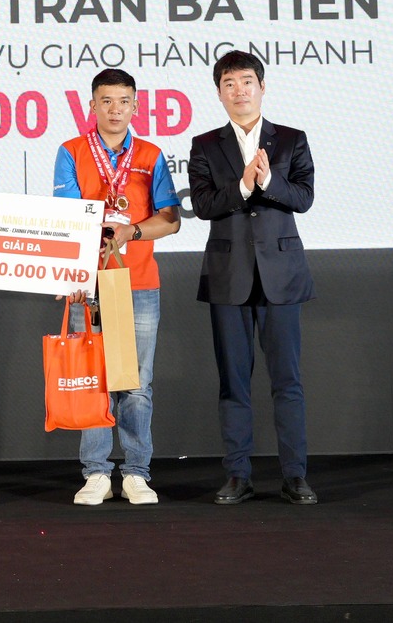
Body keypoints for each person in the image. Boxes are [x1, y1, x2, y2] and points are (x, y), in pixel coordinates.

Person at [188, 50, 318, 506]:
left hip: (281, 275)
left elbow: (304, 197)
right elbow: (203, 205)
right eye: (229, 83)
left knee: (288, 381)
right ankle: (238, 475)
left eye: (246, 81)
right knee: (233, 382)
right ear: (219, 92)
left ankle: (295, 476)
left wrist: (267, 183)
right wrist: (243, 186)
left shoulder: (292, 139)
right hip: (229, 276)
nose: (239, 90)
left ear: (262, 87)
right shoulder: (205, 144)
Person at [53, 68, 181, 506]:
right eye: (106, 101)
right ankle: (95, 472)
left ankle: (136, 473)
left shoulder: (150, 154)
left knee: (136, 382)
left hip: (137, 282)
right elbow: (65, 218)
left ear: (135, 106)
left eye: (123, 101)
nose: (115, 109)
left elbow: (171, 220)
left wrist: (132, 232)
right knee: (94, 378)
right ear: (91, 106)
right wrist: (73, 272)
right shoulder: (71, 151)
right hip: (88, 284)